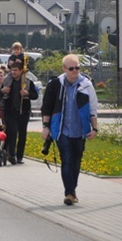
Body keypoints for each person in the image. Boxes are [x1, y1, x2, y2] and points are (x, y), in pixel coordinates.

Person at [41, 54, 98, 206]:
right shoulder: (55, 85)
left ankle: (72, 191)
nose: (75, 71)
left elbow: (93, 109)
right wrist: (46, 127)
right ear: (64, 69)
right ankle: (69, 193)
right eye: (71, 68)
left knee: (76, 161)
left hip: (80, 131)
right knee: (66, 160)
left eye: (77, 68)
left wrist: (95, 128)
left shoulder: (86, 85)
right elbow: (46, 107)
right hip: (61, 130)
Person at [1, 61, 38, 164]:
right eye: (12, 70)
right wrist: (3, 91)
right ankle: (11, 154)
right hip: (11, 111)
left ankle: (20, 156)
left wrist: (27, 93)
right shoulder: (7, 81)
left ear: (21, 71)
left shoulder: (27, 82)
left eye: (16, 70)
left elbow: (35, 95)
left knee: (22, 134)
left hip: (23, 111)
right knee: (12, 132)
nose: (13, 72)